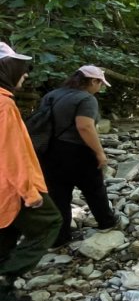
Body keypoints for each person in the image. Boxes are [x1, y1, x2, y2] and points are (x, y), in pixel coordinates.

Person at [0, 42, 62, 301]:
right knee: (50, 222)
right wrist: (30, 192)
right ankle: (4, 281)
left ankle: (4, 300)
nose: (25, 73)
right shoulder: (4, 104)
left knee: (5, 236)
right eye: (20, 68)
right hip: (11, 186)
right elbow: (11, 153)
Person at [40, 65, 117, 248]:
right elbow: (85, 126)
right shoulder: (86, 99)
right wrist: (100, 153)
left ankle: (60, 236)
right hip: (77, 151)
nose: (100, 88)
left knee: (58, 194)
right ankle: (106, 221)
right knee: (94, 188)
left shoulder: (53, 94)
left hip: (49, 149)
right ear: (93, 81)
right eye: (100, 83)